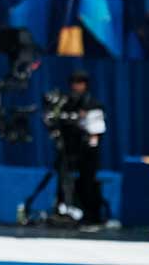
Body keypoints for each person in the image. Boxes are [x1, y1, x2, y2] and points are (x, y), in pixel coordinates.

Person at [59, 70, 106, 226]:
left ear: (85, 85)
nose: (76, 86)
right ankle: (64, 211)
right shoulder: (66, 103)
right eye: (74, 83)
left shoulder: (93, 104)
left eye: (79, 83)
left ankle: (90, 216)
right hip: (69, 149)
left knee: (87, 182)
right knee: (64, 179)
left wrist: (91, 145)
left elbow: (97, 130)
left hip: (88, 152)